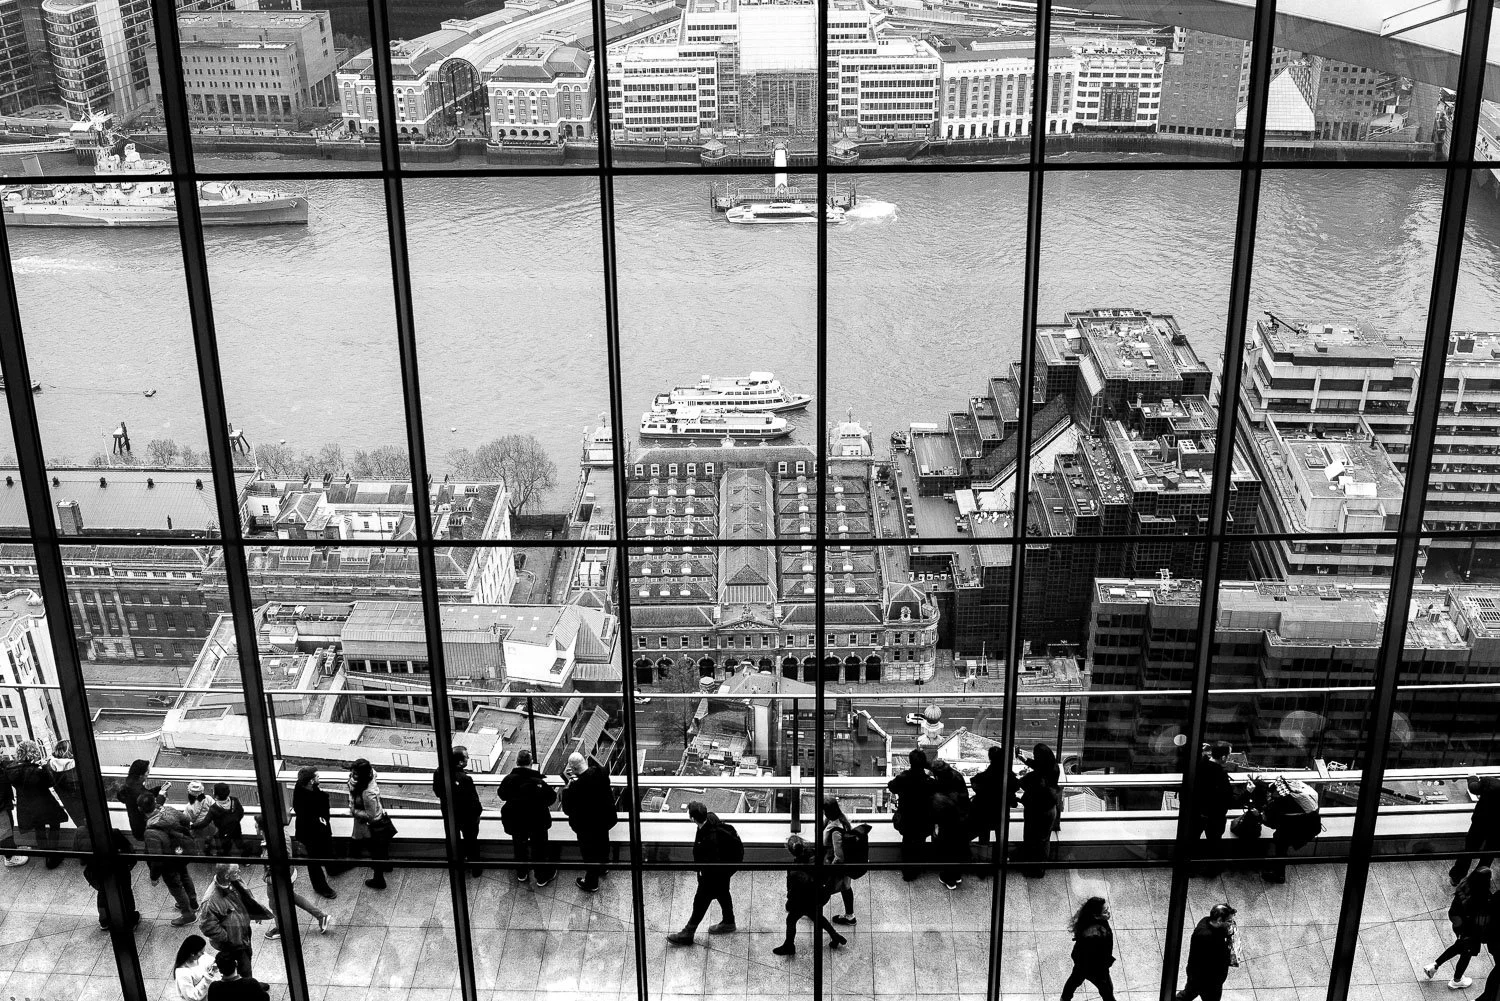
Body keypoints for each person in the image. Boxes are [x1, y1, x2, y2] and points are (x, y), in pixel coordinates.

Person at [666, 800, 738, 945]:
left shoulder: (709, 840)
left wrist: (702, 875)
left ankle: (688, 933)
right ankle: (729, 921)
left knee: (700, 903)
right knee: (723, 893)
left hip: (712, 877)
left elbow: (711, 862)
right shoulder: (711, 819)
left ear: (692, 818)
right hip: (723, 873)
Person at [249, 813, 332, 937]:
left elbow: (274, 863)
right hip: (288, 873)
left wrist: (267, 878)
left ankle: (280, 929)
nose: (255, 827)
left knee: (274, 905)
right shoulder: (280, 833)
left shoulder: (272, 844)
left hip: (277, 879)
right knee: (292, 897)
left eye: (257, 826)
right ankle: (321, 916)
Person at [771, 835, 846, 956]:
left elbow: (792, 890)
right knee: (816, 917)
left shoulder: (794, 869)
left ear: (790, 851)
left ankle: (789, 945)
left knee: (791, 919)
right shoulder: (814, 855)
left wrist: (789, 902)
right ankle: (835, 936)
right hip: (817, 894)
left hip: (802, 899)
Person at [199, 863, 272, 978]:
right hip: (233, 942)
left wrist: (254, 913)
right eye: (236, 872)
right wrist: (229, 938)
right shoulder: (211, 901)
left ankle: (248, 981)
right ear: (227, 876)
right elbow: (207, 927)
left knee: (248, 956)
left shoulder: (234, 881)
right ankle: (248, 986)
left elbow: (245, 897)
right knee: (244, 965)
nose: (240, 873)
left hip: (243, 932)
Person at [1425, 866, 1492, 989]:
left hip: (1460, 924)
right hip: (1471, 928)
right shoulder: (1480, 895)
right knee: (1467, 952)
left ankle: (1434, 966)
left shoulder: (1465, 883)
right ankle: (1456, 980)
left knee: (1459, 946)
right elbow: (1482, 912)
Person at [560, 751, 618, 892]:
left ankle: (592, 883)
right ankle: (603, 867)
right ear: (585, 761)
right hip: (604, 820)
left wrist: (569, 784)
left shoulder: (575, 787)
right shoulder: (601, 773)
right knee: (604, 843)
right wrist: (578, 776)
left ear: (573, 769)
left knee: (589, 853)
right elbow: (590, 781)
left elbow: (567, 809)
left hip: (586, 826)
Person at [498, 750, 556, 887]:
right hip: (537, 821)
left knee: (519, 846)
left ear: (517, 762)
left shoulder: (509, 779)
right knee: (539, 849)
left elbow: (502, 795)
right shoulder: (538, 782)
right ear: (531, 763)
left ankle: (522, 873)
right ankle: (541, 877)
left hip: (516, 820)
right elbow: (551, 798)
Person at [6, 740, 68, 867]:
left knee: (39, 829)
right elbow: (50, 782)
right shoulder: (36, 771)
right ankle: (52, 855)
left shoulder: (12, 770)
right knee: (54, 825)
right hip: (43, 803)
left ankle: (46, 855)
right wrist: (44, 768)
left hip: (26, 806)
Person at [142, 793, 200, 927]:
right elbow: (185, 820)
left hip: (168, 862)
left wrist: (154, 877)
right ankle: (193, 902)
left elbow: (156, 858)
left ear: (141, 810)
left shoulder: (151, 832)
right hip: (179, 852)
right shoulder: (168, 810)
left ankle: (188, 914)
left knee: (176, 887)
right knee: (184, 875)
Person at [433, 746, 483, 878]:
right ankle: (475, 868)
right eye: (466, 757)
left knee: (453, 840)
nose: (468, 758)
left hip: (450, 815)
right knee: (471, 841)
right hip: (467, 817)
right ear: (460, 762)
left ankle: (457, 865)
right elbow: (474, 801)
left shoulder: (439, 772)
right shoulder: (465, 779)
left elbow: (438, 792)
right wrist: (478, 813)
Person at [1012, 743, 1061, 877]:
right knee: (1044, 840)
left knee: (1031, 839)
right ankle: (1040, 869)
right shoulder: (1053, 768)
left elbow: (1018, 784)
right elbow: (1041, 767)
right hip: (1050, 810)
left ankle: (1030, 868)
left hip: (1035, 811)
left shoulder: (1035, 777)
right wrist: (1025, 760)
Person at [887, 748, 935, 881]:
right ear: (924, 763)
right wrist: (929, 766)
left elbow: (891, 786)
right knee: (920, 843)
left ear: (910, 762)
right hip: (923, 819)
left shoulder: (904, 777)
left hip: (906, 818)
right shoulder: (929, 782)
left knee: (907, 844)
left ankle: (908, 873)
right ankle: (918, 868)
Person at [291, 767, 338, 899]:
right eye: (317, 776)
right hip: (311, 833)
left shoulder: (301, 787)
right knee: (314, 861)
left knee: (326, 851)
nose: (319, 778)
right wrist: (322, 819)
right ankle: (321, 887)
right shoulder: (308, 797)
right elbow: (313, 812)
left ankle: (332, 869)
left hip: (315, 829)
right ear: (311, 781)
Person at [80, 827, 140, 929]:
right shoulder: (113, 832)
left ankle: (104, 920)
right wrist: (131, 863)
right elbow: (128, 849)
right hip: (118, 869)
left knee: (103, 893)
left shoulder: (81, 832)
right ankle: (130, 918)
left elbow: (80, 856)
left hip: (96, 870)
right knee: (125, 892)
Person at [1189, 742, 1235, 876]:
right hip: (1214, 816)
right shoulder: (1221, 775)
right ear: (1224, 757)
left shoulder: (1201, 765)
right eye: (1229, 755)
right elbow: (1228, 800)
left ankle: (1191, 869)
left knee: (1193, 841)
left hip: (1197, 812)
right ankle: (1211, 870)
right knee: (1214, 843)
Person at [1176, 903, 1238, 1001]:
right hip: (1207, 980)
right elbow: (1219, 958)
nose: (1231, 923)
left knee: (1189, 993)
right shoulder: (1207, 937)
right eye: (1229, 921)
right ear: (1219, 921)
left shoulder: (1206, 921)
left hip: (1197, 975)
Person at [348, 759, 393, 890]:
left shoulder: (367, 793)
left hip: (373, 825)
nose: (352, 775)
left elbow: (371, 815)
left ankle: (379, 880)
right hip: (380, 822)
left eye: (355, 773)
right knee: (381, 848)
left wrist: (354, 811)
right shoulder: (370, 776)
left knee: (376, 853)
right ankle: (387, 866)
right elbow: (373, 771)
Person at [1061, 897, 1117, 1001]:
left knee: (1074, 980)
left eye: (1107, 908)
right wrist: (1104, 965)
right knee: (1107, 991)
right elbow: (1094, 954)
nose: (1108, 912)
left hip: (1084, 963)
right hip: (1094, 966)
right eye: (1105, 911)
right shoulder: (1094, 934)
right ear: (1096, 915)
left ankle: (1064, 998)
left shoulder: (1093, 920)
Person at [930, 757, 972, 890]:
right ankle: (957, 874)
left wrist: (936, 824)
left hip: (947, 820)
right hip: (961, 818)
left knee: (947, 849)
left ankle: (949, 879)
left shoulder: (940, 783)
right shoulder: (957, 775)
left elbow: (938, 804)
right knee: (958, 847)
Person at [1451, 774, 1500, 886]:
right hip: (1498, 830)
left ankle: (1457, 876)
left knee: (1469, 849)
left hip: (1480, 823)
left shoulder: (1490, 782)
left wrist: (1472, 777)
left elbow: (1474, 788)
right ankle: (1478, 879)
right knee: (1488, 855)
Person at [967, 746, 1008, 872]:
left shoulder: (985, 775)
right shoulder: (1005, 773)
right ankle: (1000, 862)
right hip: (1000, 811)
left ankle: (983, 866)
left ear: (990, 758)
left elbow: (975, 781)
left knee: (984, 838)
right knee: (1001, 837)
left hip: (985, 811)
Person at [822, 797, 857, 925]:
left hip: (835, 867)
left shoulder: (835, 830)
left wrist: (830, 869)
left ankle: (813, 911)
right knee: (846, 888)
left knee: (825, 890)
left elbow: (839, 856)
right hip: (846, 867)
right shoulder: (843, 821)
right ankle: (850, 916)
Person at [46, 739, 87, 835]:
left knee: (81, 826)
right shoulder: (77, 766)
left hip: (67, 802)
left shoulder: (50, 766)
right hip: (82, 801)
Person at [118, 759, 164, 843]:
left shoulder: (128, 786)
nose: (148, 775)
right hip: (145, 829)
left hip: (136, 827)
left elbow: (141, 797)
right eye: (147, 772)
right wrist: (161, 797)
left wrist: (156, 790)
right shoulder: (140, 792)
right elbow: (153, 811)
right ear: (140, 776)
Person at [204, 949, 269, 1000]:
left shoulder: (214, 987)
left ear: (218, 968)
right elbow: (265, 998)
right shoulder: (251, 983)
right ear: (236, 963)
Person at [172, 934, 218, 1000]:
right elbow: (191, 997)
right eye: (201, 952)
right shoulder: (182, 973)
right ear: (192, 954)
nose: (203, 953)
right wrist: (208, 977)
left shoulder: (200, 957)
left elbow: (211, 961)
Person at [207, 784, 248, 858]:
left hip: (223, 831)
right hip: (236, 827)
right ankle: (246, 859)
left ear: (217, 795)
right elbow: (241, 812)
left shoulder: (214, 808)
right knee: (239, 842)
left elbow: (207, 821)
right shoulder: (234, 800)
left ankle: (227, 860)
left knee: (225, 845)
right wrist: (236, 821)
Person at [0, 753, 24, 867]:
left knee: (8, 827)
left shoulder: (1, 765)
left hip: (4, 804)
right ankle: (10, 858)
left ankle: (12, 851)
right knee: (5, 832)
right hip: (1, 807)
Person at [182, 782, 215, 858]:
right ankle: (213, 853)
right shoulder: (208, 798)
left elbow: (186, 819)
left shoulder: (189, 807)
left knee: (200, 841)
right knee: (212, 837)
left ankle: (201, 855)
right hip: (211, 824)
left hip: (199, 828)